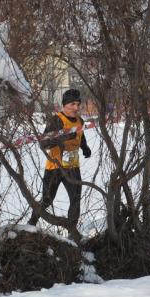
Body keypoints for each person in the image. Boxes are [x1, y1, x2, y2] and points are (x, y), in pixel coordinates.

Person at [29, 88, 91, 240]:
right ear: (64, 105)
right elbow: (43, 143)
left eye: (78, 104)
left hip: (72, 167)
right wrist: (63, 138)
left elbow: (80, 136)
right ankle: (30, 224)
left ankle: (72, 231)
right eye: (72, 104)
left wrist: (85, 147)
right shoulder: (56, 120)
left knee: (76, 199)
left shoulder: (80, 121)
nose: (76, 108)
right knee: (47, 200)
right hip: (55, 167)